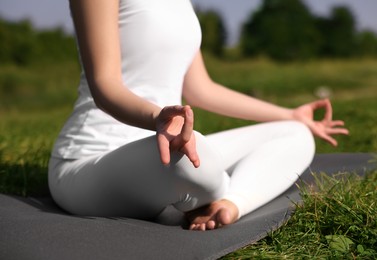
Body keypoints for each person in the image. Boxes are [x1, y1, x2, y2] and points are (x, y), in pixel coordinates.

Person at [48, 0, 349, 231]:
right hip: (92, 161)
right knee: (197, 159)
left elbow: (202, 90)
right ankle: (208, 188)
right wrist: (158, 118)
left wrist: (289, 114)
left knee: (295, 133)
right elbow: (105, 85)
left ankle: (228, 203)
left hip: (172, 148)